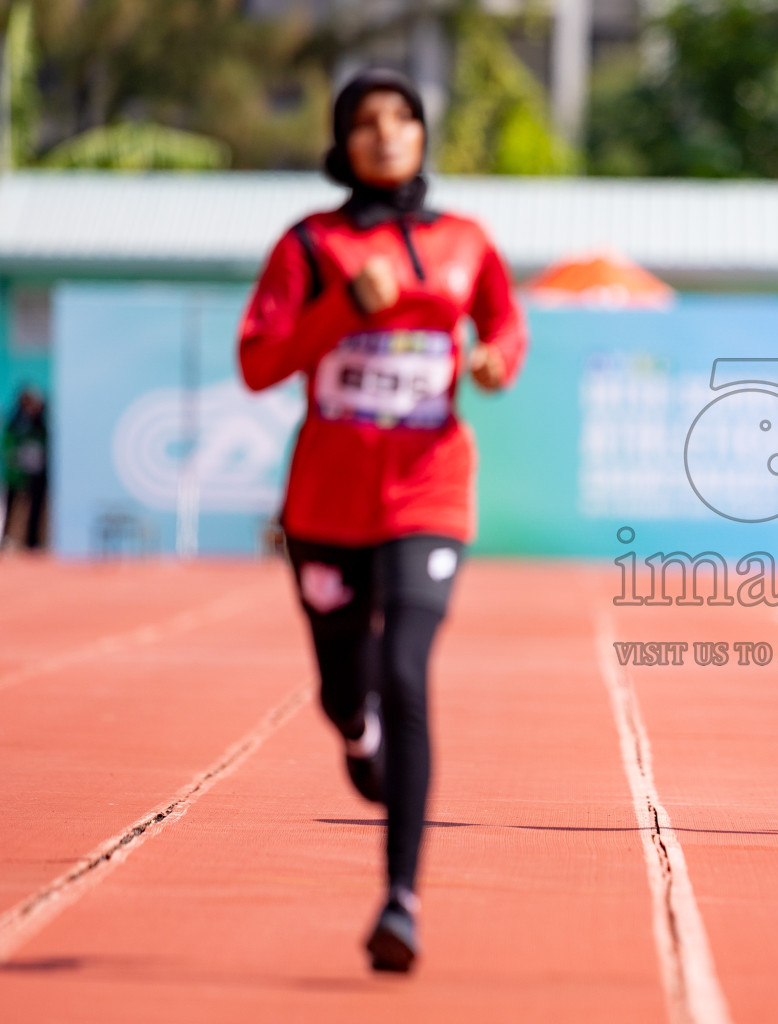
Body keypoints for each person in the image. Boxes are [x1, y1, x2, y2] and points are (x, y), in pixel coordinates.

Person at [237, 69, 527, 972]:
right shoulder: (308, 244)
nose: (387, 133)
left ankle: (400, 900)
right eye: (366, 121)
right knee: (339, 690)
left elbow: (506, 329)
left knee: (406, 670)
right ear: (341, 143)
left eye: (402, 117)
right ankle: (352, 728)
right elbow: (259, 363)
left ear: (421, 135)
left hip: (427, 492)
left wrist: (492, 363)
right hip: (325, 506)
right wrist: (336, 310)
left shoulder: (464, 241)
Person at [2, 388, 48, 550]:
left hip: (37, 474)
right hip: (16, 473)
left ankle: (32, 541)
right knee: (11, 505)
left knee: (35, 508)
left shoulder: (41, 422)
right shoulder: (15, 421)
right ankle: (5, 538)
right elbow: (9, 445)